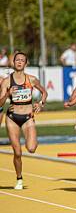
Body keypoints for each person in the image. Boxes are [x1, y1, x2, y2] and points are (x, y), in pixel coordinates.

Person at [0, 52, 47, 190]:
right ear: (13, 63)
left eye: (22, 60)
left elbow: (44, 92)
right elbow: (1, 103)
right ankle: (19, 178)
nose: (19, 62)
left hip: (27, 117)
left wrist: (40, 103)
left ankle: (31, 137)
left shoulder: (31, 79)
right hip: (12, 118)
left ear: (26, 64)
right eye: (17, 60)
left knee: (31, 148)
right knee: (18, 152)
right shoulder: (7, 81)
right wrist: (8, 94)